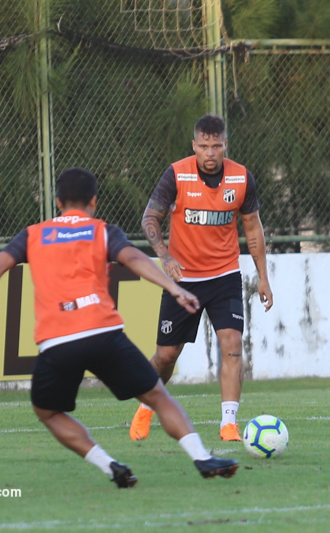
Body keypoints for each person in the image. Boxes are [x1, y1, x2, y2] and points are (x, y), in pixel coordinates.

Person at [0, 168, 239, 488]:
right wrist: (173, 287)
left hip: (57, 341)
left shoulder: (33, 234)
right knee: (157, 394)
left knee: (47, 411)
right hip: (103, 334)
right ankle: (201, 457)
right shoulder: (102, 231)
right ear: (94, 202)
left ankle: (109, 464)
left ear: (58, 202)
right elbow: (133, 259)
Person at [129, 114, 273, 442]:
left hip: (225, 276)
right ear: (194, 146)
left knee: (233, 345)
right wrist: (165, 257)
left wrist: (263, 277)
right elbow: (151, 216)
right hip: (183, 279)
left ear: (225, 146)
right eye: (204, 146)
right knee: (166, 356)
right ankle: (145, 408)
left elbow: (252, 227)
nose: (210, 153)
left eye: (216, 146)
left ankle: (229, 425)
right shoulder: (176, 174)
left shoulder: (241, 178)